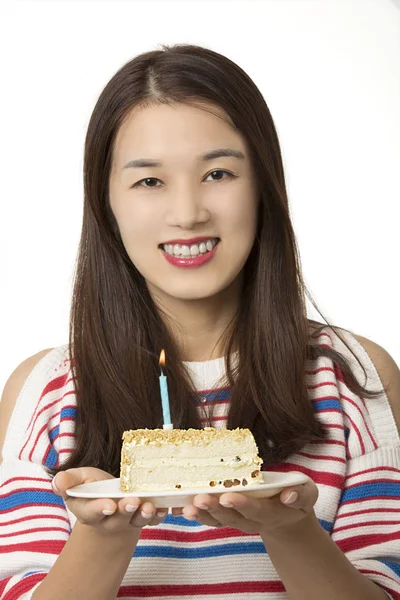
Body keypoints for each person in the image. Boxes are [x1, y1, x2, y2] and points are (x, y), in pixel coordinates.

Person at [0, 43, 399, 600]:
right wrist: (103, 538)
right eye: (149, 181)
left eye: (218, 172)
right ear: (106, 202)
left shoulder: (353, 375)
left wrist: (290, 531)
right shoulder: (45, 392)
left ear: (263, 185)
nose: (188, 213)